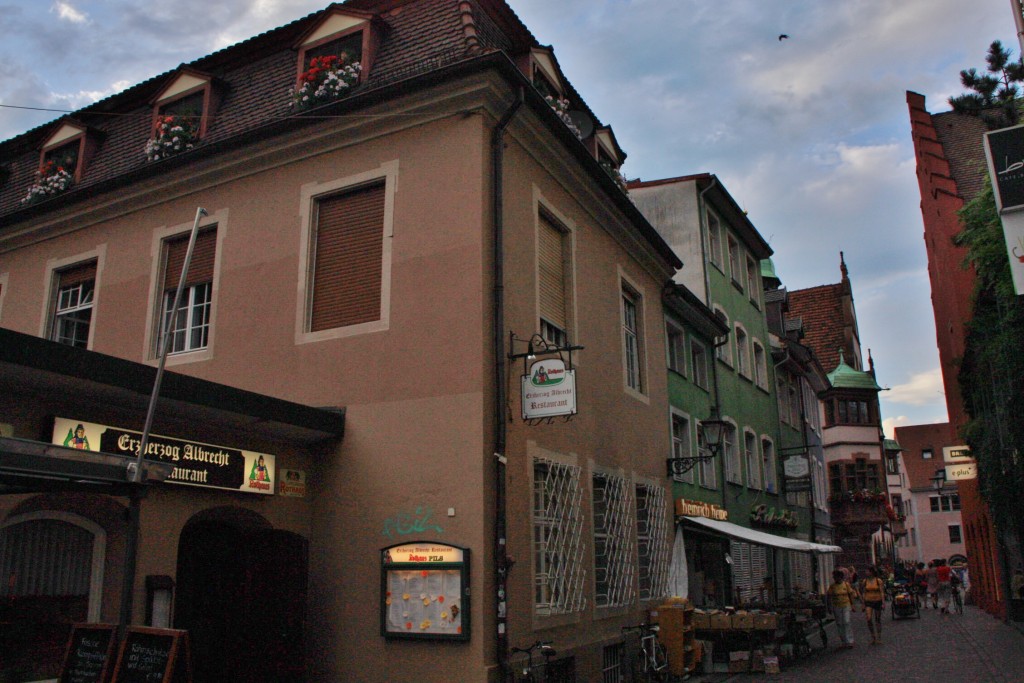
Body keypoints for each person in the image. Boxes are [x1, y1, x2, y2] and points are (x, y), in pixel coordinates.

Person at [828, 569, 860, 649]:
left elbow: (850, 594)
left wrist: (852, 605)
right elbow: (829, 596)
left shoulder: (846, 585)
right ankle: (843, 641)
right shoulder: (832, 586)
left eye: (836, 577)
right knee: (839, 623)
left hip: (846, 605)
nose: (835, 579)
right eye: (834, 577)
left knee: (846, 621)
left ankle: (850, 641)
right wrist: (829, 606)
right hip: (836, 606)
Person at [860, 566, 886, 644]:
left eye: (867, 571)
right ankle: (873, 636)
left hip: (877, 601)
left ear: (871, 572)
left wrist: (883, 602)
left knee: (877, 619)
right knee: (868, 618)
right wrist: (863, 603)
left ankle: (879, 637)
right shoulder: (865, 581)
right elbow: (863, 592)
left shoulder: (878, 581)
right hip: (868, 601)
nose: (866, 573)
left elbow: (881, 592)